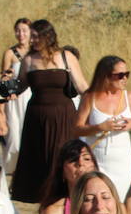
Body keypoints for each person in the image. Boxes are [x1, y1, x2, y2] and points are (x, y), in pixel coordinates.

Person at [11, 19, 89, 203]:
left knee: (63, 158)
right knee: (42, 160)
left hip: (63, 115)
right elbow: (20, 86)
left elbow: (82, 86)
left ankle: (67, 199)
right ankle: (46, 203)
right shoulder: (28, 60)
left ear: (48, 35)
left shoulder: (66, 56)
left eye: (37, 36)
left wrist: (99, 100)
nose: (33, 40)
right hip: (37, 117)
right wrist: (2, 85)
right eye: (32, 36)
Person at [75, 54, 131, 196]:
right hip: (99, 162)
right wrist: (100, 127)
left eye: (127, 74)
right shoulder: (90, 97)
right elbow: (76, 129)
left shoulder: (128, 96)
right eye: (120, 75)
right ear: (106, 76)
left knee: (123, 204)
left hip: (123, 162)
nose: (125, 79)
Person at [0, 16, 31, 186]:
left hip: (31, 98)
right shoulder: (10, 53)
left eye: (24, 30)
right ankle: (12, 173)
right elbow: (4, 79)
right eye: (18, 30)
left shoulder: (35, 52)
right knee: (14, 138)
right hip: (15, 100)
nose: (21, 34)